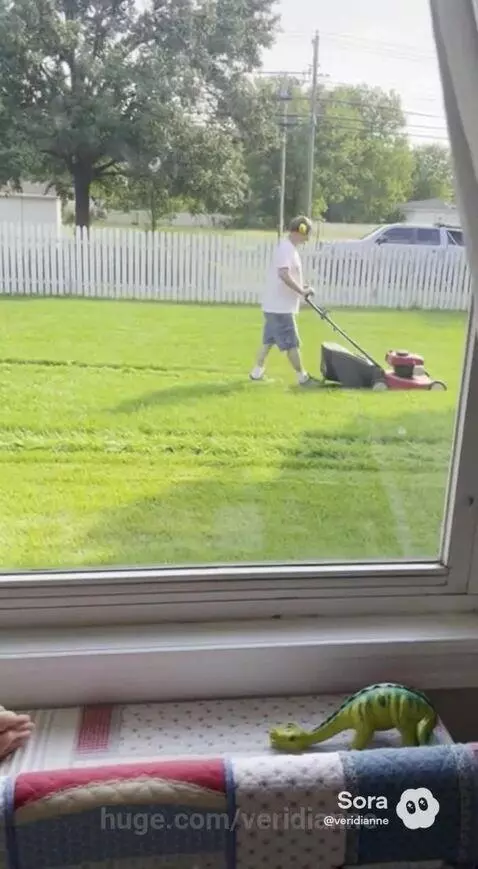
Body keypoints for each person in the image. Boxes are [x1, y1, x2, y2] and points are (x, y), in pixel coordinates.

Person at [249, 215, 319, 386]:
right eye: (307, 234)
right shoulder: (286, 249)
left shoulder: (289, 249)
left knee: (268, 341)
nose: (307, 239)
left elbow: (290, 275)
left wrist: (302, 286)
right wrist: (301, 291)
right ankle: (302, 377)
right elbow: (283, 274)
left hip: (275, 305)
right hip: (281, 308)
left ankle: (256, 373)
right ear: (300, 230)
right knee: (292, 344)